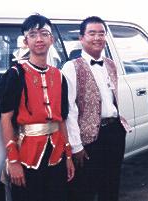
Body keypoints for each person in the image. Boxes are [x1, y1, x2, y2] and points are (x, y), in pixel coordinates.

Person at [0, 14, 75, 201]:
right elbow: (6, 118)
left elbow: (61, 118)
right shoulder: (15, 74)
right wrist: (13, 161)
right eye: (33, 34)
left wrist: (69, 155)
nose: (39, 39)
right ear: (26, 41)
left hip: (57, 153)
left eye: (44, 33)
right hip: (26, 156)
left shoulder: (60, 76)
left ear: (51, 39)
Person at [61, 16, 131, 201]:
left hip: (114, 132)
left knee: (111, 185)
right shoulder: (71, 67)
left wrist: (119, 128)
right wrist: (76, 146)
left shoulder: (110, 63)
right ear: (81, 38)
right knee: (85, 190)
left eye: (101, 33)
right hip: (89, 139)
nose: (97, 38)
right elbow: (69, 109)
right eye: (92, 33)